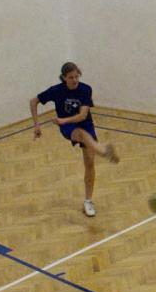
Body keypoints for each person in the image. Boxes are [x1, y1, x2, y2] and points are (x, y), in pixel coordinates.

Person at [30, 62, 119, 217]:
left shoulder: (85, 89)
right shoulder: (56, 90)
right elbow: (33, 101)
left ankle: (88, 201)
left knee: (89, 163)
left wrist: (62, 120)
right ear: (64, 78)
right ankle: (103, 151)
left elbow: (83, 115)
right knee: (80, 134)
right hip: (69, 127)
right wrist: (36, 124)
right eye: (71, 77)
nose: (75, 80)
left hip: (84, 124)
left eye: (77, 76)